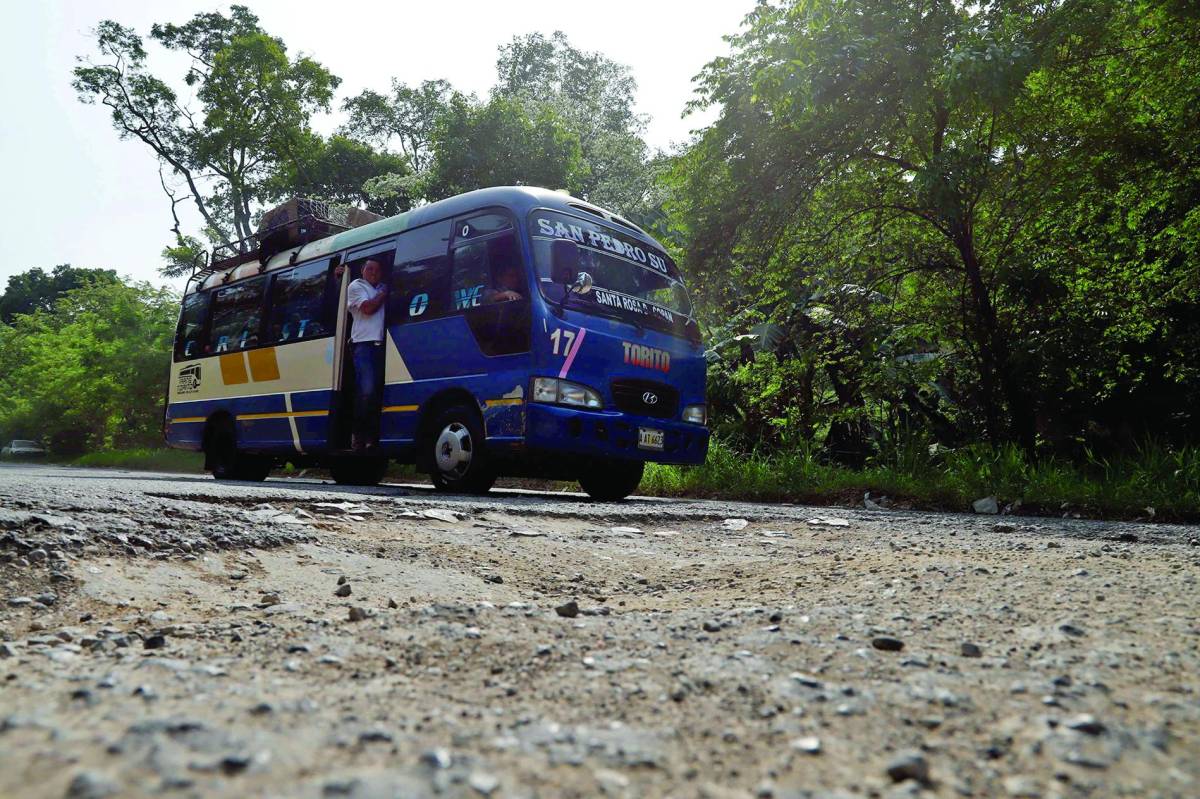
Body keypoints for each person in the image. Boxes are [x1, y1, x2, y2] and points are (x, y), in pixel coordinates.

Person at [346, 259, 387, 451]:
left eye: (377, 269)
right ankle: (358, 436)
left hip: (381, 345)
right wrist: (382, 294)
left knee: (377, 393)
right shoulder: (356, 286)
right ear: (362, 271)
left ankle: (372, 438)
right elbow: (369, 309)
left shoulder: (380, 287)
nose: (373, 272)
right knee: (366, 391)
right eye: (369, 268)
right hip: (363, 346)